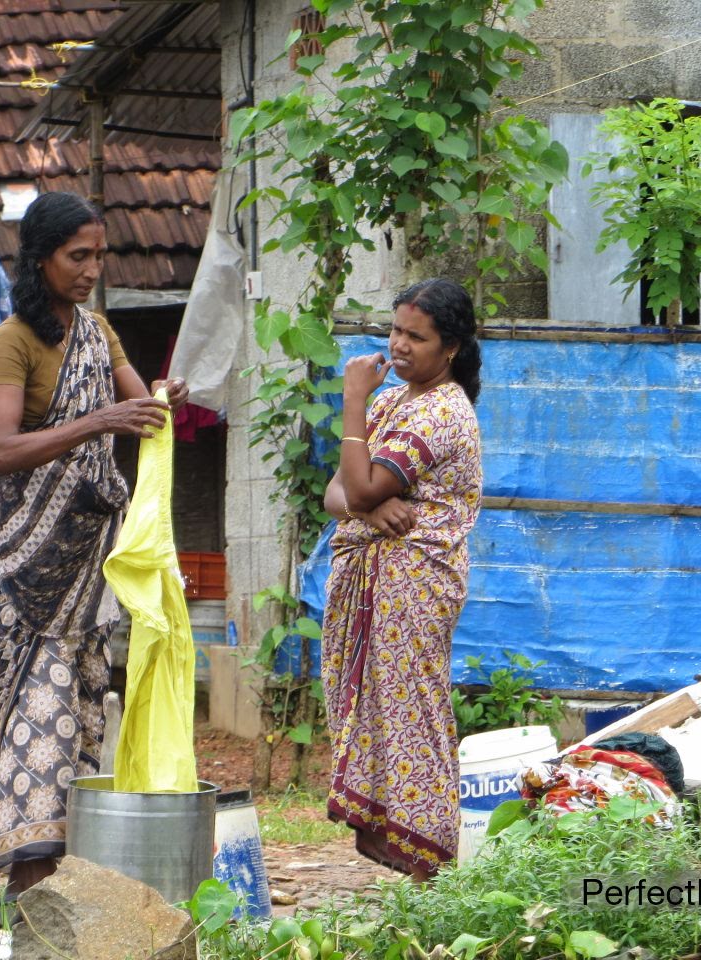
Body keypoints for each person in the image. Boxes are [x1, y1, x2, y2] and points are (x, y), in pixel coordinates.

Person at [0, 191, 188, 892]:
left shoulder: (98, 332)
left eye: (99, 254)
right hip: (31, 565)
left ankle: (68, 881)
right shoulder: (14, 340)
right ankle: (26, 879)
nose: (92, 268)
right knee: (38, 712)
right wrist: (102, 420)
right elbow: (4, 448)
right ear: (41, 261)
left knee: (82, 712)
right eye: (79, 256)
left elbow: (139, 406)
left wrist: (162, 398)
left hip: (88, 565)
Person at [321, 277, 483, 882]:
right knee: (376, 710)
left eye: (418, 336)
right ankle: (408, 855)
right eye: (396, 330)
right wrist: (367, 507)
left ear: (451, 350)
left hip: (414, 584)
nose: (400, 345)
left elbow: (357, 483)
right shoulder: (395, 403)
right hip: (371, 579)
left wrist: (353, 398)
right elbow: (338, 491)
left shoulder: (442, 411)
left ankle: (431, 866)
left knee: (414, 713)